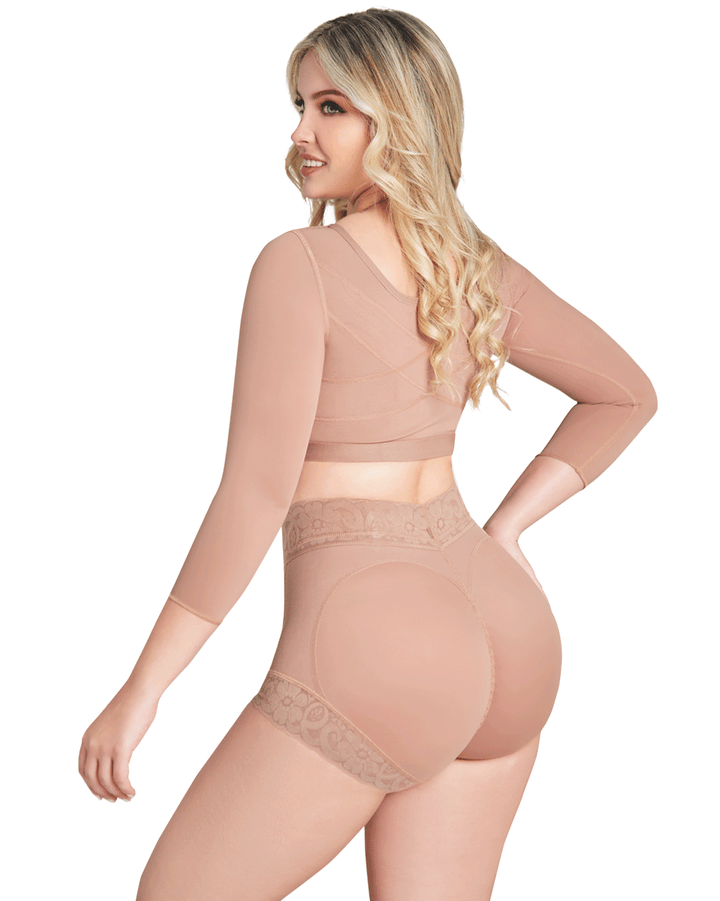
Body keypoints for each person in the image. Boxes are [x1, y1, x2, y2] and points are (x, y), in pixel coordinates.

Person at [78, 9, 658, 900]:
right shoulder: (477, 269)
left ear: (398, 119)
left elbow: (254, 493)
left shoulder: (300, 263)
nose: (300, 133)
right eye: (299, 105)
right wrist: (505, 531)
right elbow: (626, 394)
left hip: (378, 638)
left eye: (332, 107)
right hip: (508, 628)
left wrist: (142, 688)